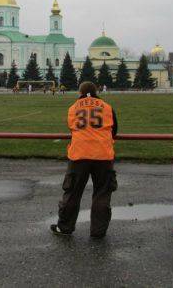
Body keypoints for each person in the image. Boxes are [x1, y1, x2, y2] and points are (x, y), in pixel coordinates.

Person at [50, 81, 118, 239]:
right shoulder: (107, 107)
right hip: (103, 155)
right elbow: (114, 130)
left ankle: (65, 227)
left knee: (72, 192)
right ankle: (98, 231)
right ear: (97, 91)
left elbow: (72, 128)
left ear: (80, 92)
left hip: (79, 154)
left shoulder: (73, 108)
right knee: (102, 193)